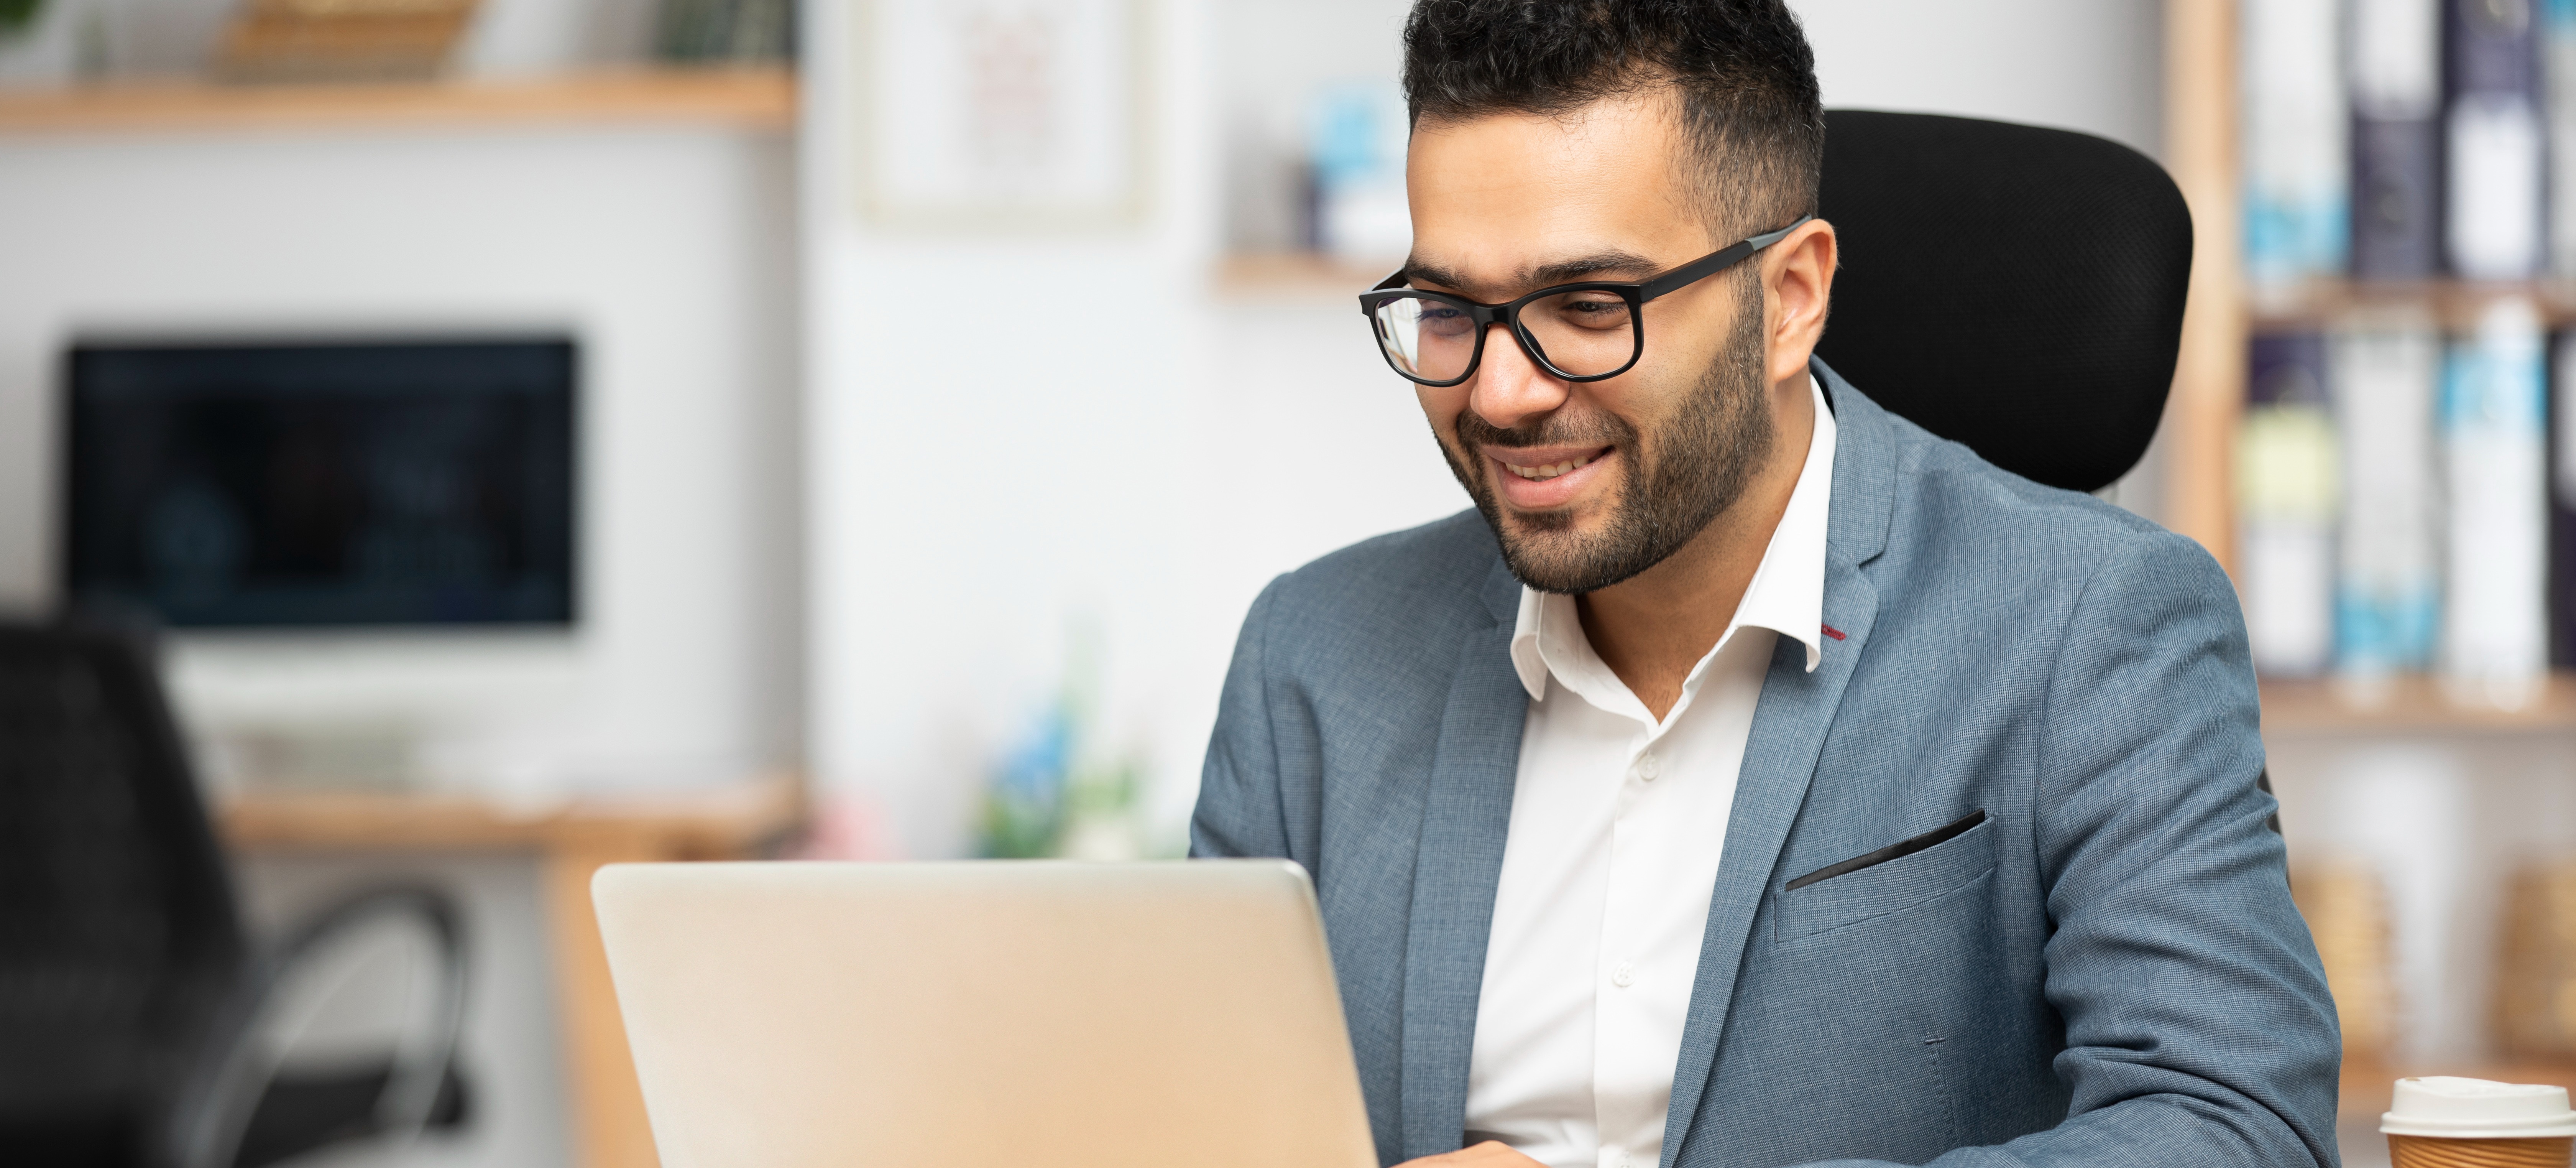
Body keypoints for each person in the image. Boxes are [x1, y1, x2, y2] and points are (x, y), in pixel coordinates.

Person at [1190, 2, 2341, 1166]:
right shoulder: (1315, 656)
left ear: (1790, 297)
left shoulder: (2093, 623)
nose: (1498, 393)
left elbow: (2238, 1129)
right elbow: (1195, 1126)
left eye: (1589, 308)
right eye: (1448, 309)